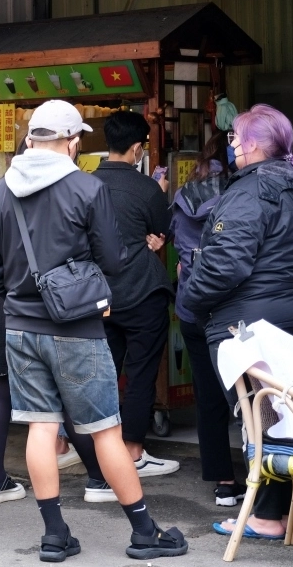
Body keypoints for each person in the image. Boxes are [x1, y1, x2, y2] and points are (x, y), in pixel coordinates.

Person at [0, 100, 188, 561]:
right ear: (72, 142)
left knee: (41, 426)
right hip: (77, 326)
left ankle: (55, 535)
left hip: (19, 327)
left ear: (31, 139)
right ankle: (144, 532)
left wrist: (24, 291)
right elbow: (113, 260)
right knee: (105, 430)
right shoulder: (87, 188)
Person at [182, 104, 293, 541]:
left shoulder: (251, 190)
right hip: (289, 309)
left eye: (235, 138)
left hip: (244, 319)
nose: (231, 146)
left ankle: (265, 516)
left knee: (257, 420)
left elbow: (224, 264)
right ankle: (280, 508)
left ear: (254, 144)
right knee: (280, 413)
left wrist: (191, 299)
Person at [156, 131, 244, 506]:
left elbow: (176, 246)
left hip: (192, 310)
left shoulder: (183, 196)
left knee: (208, 398)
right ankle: (269, 481)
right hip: (233, 312)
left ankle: (223, 482)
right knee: (254, 399)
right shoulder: (240, 195)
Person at [92, 112, 179, 478]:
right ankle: (133, 451)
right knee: (142, 373)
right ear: (136, 148)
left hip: (98, 297)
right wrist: (154, 234)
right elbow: (161, 232)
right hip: (143, 292)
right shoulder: (146, 188)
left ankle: (99, 452)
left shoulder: (83, 185)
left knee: (102, 374)